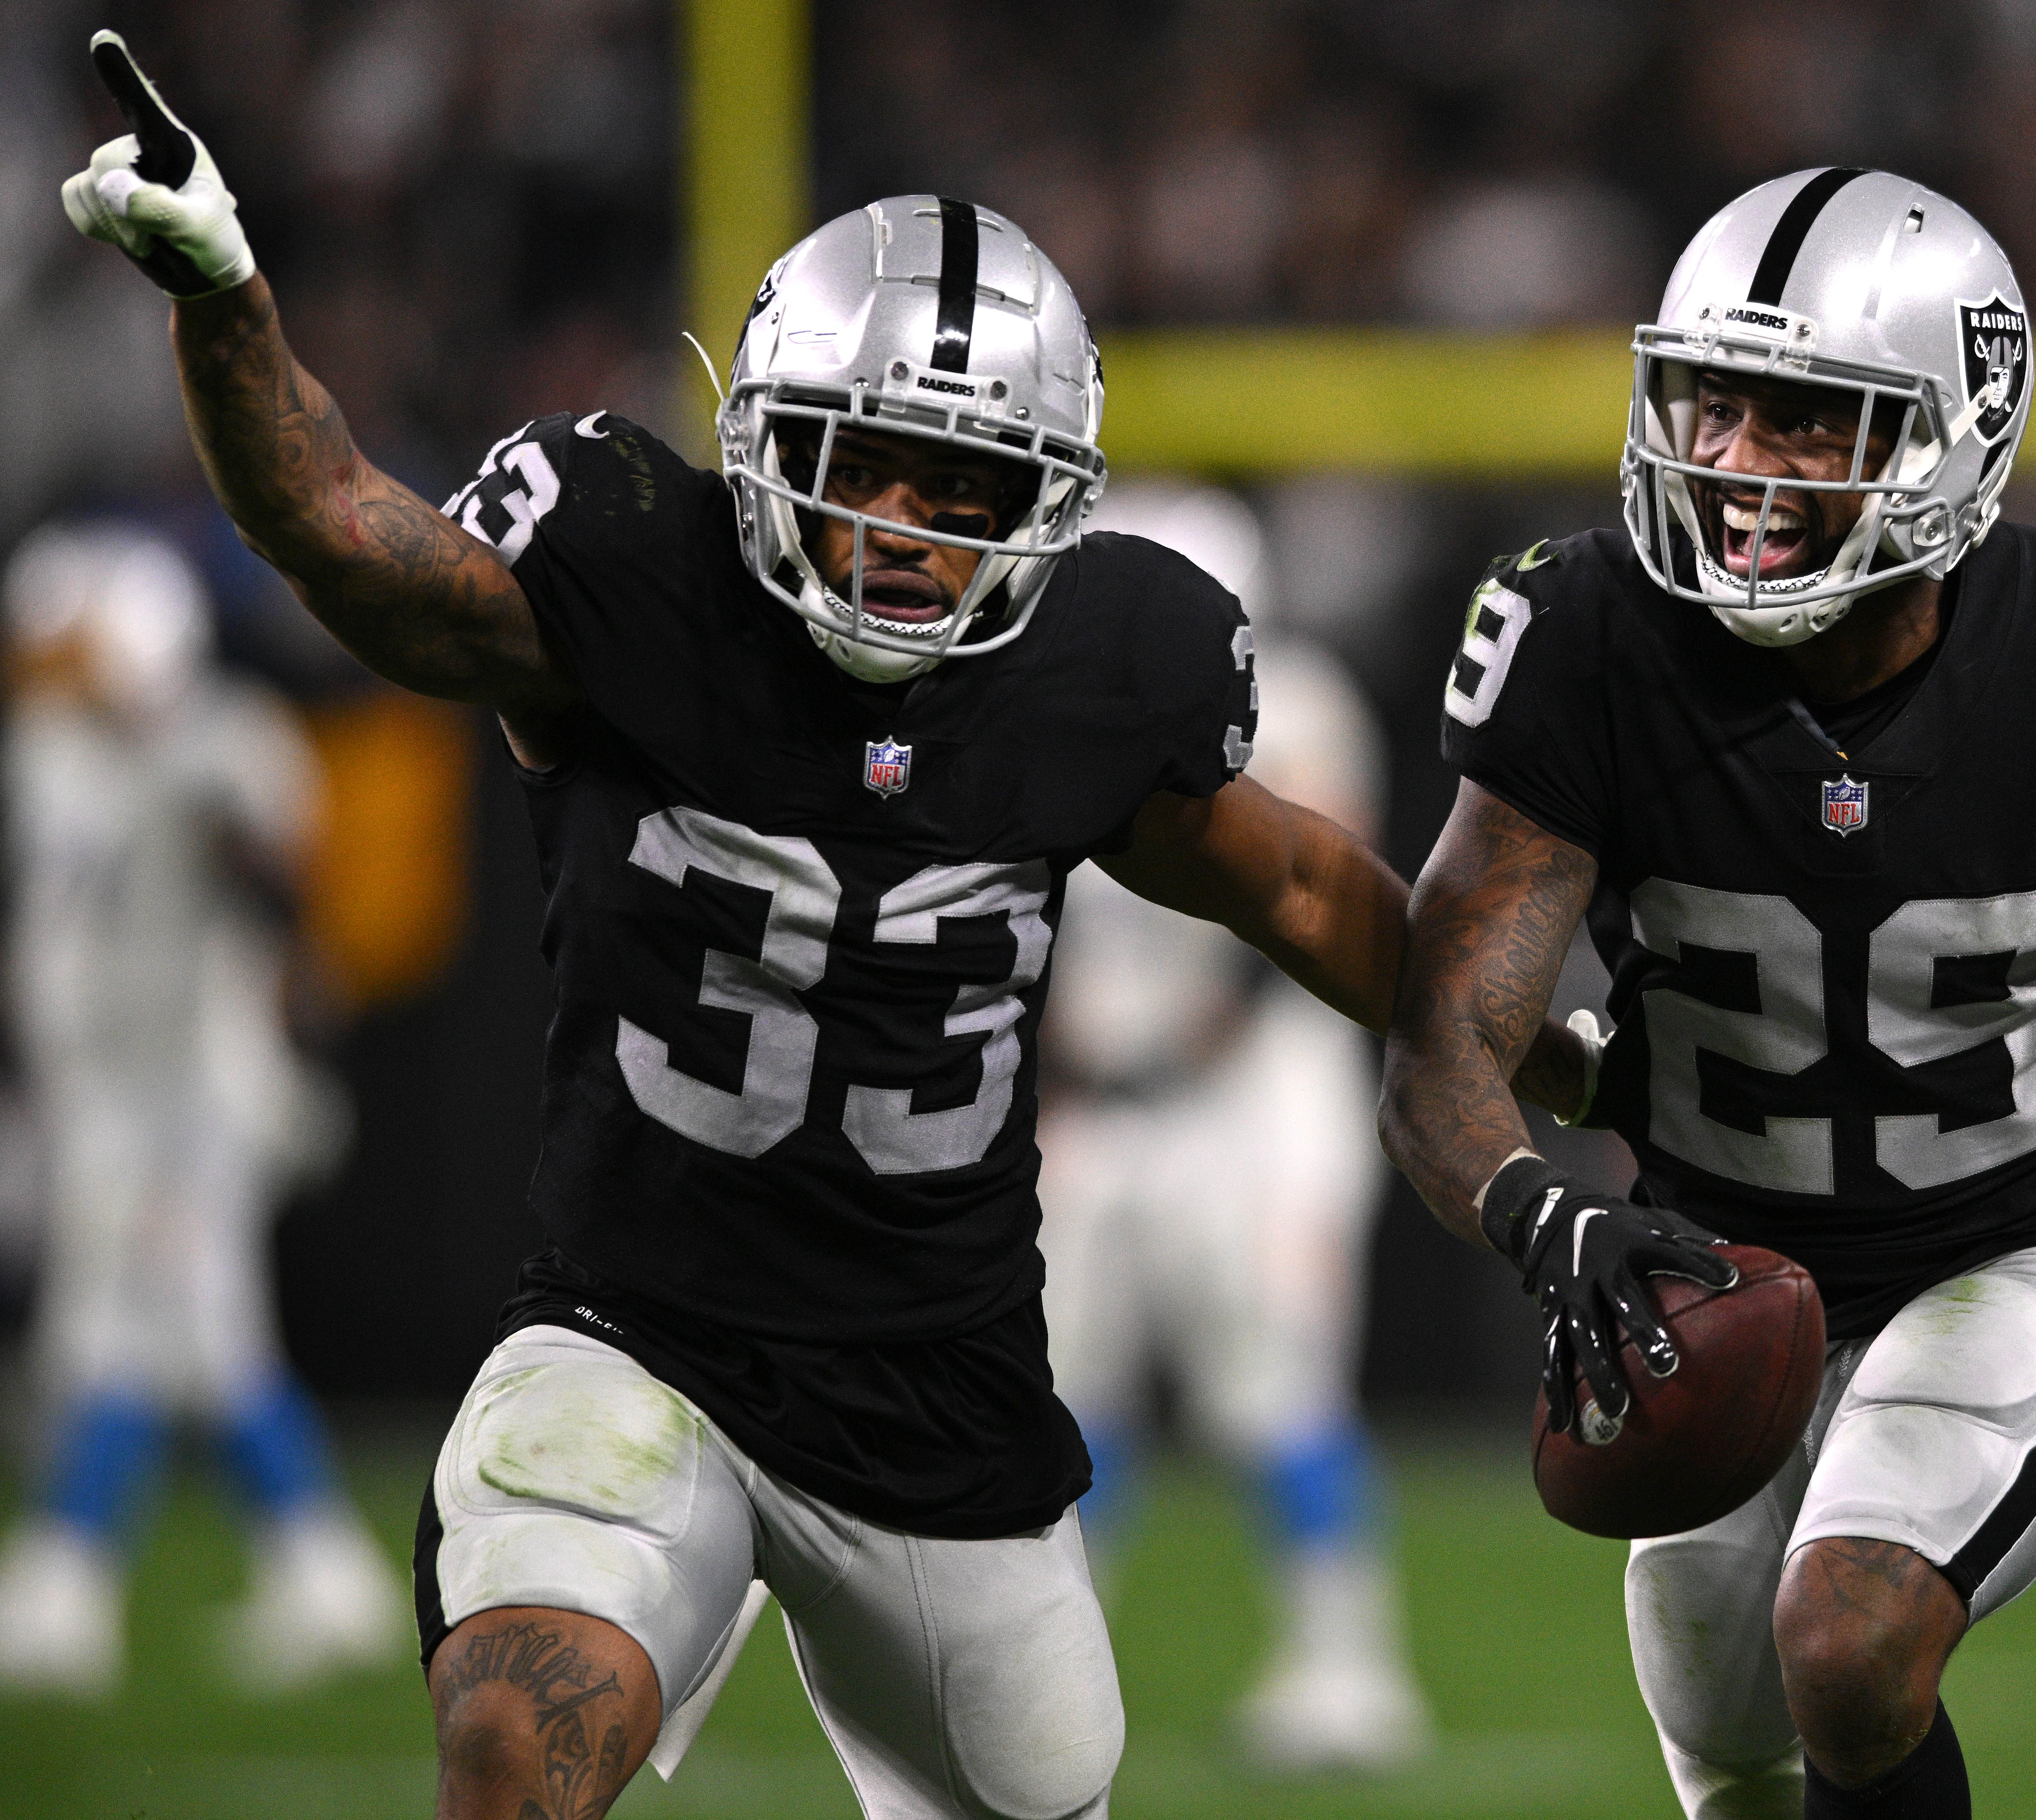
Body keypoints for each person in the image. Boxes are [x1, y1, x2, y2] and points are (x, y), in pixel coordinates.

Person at [59, 34, 1579, 1820]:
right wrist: (230, 297)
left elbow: (1310, 888)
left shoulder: (1105, 667)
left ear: (1050, 508)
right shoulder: (636, 571)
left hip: (938, 1398)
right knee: (510, 1746)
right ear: (769, 435)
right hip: (637, 1339)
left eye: (969, 491)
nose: (910, 533)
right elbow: (339, 531)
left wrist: (1553, 1045)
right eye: (867, 464)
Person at [1378, 167, 2036, 1820]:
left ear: (1960, 434)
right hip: (1723, 1266)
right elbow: (1446, 1022)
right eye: (1712, 404)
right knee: (1740, 1767)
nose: (1737, 467)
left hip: (2024, 1244)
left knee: (1850, 1642)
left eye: (1812, 421)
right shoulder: (1586, 629)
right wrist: (1543, 1216)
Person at [1036, 482, 1430, 1771]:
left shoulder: (1299, 702)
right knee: (1066, 1385)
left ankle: (1347, 1660)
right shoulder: (1050, 690)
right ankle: (1052, 1658)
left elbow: (1311, 901)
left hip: (1259, 1099)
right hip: (1104, 1100)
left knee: (1280, 1379)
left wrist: (1176, 1037)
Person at [0, 520, 397, 1697]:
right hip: (97, 1089)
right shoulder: (50, 753)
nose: (44, 668)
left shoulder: (221, 748)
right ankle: (326, 1577)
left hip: (187, 1096)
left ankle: (63, 1589)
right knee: (205, 1343)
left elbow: (288, 898)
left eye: (70, 646)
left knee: (125, 1333)